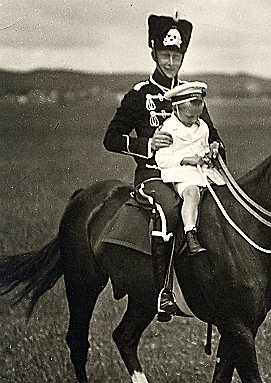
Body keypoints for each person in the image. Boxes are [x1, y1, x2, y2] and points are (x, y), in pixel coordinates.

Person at [103, 12, 226, 322]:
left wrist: (215, 148)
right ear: (154, 54)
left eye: (177, 56)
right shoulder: (139, 95)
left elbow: (213, 135)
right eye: (165, 55)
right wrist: (146, 146)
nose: (171, 62)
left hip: (191, 173)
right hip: (153, 176)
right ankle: (163, 292)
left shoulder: (190, 96)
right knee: (171, 211)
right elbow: (111, 138)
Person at [155, 81, 224, 256]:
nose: (194, 120)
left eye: (197, 116)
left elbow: (202, 147)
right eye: (189, 117)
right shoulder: (168, 129)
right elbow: (162, 159)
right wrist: (186, 159)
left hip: (203, 171)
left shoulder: (202, 127)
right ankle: (190, 234)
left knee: (223, 192)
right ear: (176, 109)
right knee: (192, 193)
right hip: (180, 173)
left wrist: (210, 151)